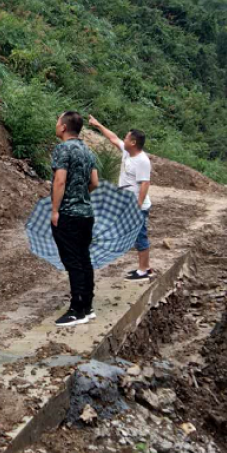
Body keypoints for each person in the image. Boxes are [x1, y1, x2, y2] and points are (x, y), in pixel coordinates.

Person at [50, 111, 100, 326]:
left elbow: (59, 181)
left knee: (72, 261)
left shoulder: (62, 149)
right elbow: (95, 182)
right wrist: (80, 194)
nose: (56, 124)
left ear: (63, 127)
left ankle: (76, 309)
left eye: (57, 120)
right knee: (84, 258)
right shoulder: (88, 151)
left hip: (68, 214)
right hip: (86, 214)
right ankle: (87, 306)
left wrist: (55, 210)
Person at [88, 116, 152, 279]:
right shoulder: (127, 151)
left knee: (140, 236)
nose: (123, 139)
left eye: (127, 137)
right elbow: (113, 138)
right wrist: (98, 125)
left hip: (138, 206)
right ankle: (143, 267)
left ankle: (144, 270)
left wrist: (137, 207)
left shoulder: (142, 161)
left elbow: (145, 184)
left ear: (133, 143)